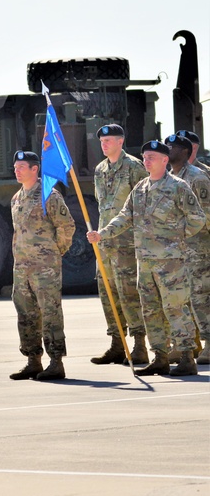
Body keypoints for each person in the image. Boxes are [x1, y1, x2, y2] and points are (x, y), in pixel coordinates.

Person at [87, 140, 206, 376]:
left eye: (152, 156)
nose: (147, 160)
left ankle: (185, 357)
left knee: (175, 308)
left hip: (170, 263)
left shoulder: (178, 187)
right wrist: (102, 234)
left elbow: (197, 218)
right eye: (145, 157)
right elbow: (124, 217)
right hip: (145, 263)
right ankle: (160, 356)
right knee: (151, 311)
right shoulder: (140, 189)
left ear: (164, 160)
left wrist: (176, 239)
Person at [8, 151, 76, 381]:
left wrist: (55, 252)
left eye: (21, 166)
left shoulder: (49, 195)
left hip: (45, 268)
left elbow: (67, 226)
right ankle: (32, 360)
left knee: (50, 313)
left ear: (35, 169)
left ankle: (56, 362)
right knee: (26, 314)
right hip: (22, 268)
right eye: (15, 166)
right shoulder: (16, 198)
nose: (16, 170)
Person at [89, 124, 150, 365]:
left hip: (127, 242)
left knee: (129, 294)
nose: (104, 144)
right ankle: (117, 344)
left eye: (109, 140)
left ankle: (139, 346)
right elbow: (100, 203)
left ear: (121, 142)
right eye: (102, 141)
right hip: (104, 242)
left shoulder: (135, 167)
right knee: (108, 294)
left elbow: (144, 203)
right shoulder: (99, 169)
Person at [165, 133, 210, 365]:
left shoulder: (196, 177)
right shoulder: (168, 177)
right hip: (176, 250)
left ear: (185, 151)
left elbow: (206, 215)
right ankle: (186, 345)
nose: (167, 149)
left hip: (197, 247)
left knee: (200, 297)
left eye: (171, 147)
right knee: (180, 299)